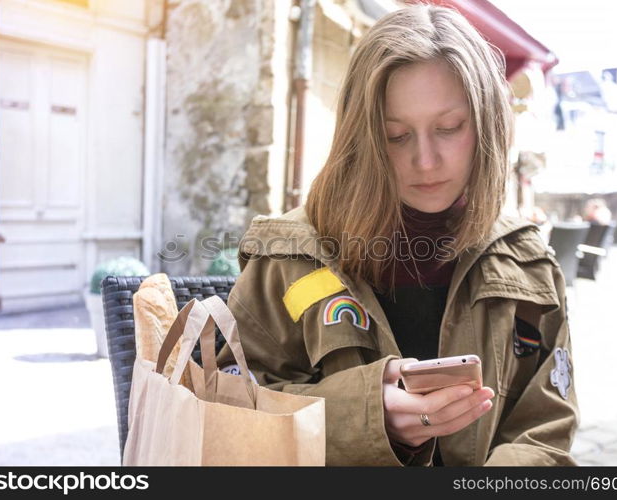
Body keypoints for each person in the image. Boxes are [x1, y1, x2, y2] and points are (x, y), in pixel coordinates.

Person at [216, 4, 578, 466]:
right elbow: (229, 405)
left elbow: (545, 431)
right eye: (395, 135)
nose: (425, 161)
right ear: (359, 137)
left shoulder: (528, 263)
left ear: (487, 126)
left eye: (449, 128)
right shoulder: (287, 257)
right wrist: (367, 418)